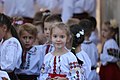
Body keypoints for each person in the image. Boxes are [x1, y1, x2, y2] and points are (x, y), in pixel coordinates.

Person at [0, 13, 22, 80]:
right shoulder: (2, 41)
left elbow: (9, 66)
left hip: (8, 76)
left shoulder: (12, 43)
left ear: (4, 28)